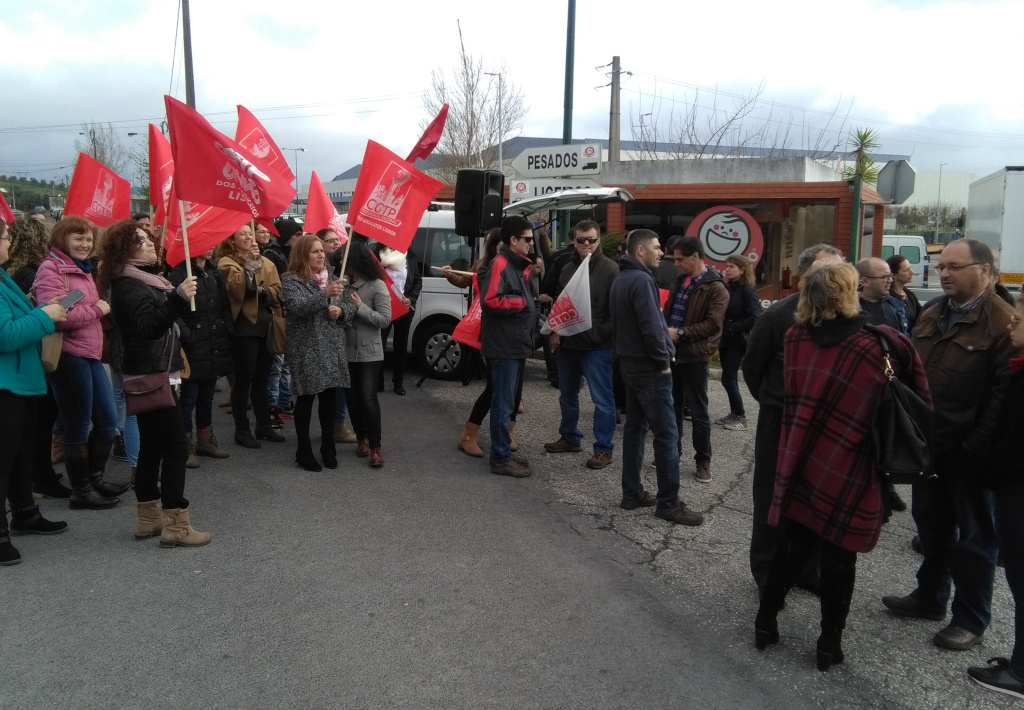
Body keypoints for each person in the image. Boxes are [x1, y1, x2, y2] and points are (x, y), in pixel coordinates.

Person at [754, 261, 930, 672]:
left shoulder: (795, 337)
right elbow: (919, 394)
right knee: (839, 554)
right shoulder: (879, 343)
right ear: (850, 292)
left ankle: (765, 622)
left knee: (792, 541)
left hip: (801, 453)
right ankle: (828, 643)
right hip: (852, 459)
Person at [882, 239, 1017, 652]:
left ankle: (971, 619)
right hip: (930, 445)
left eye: (955, 267)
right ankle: (930, 597)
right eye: (942, 267)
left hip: (969, 452)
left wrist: (977, 447)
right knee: (931, 526)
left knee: (976, 539)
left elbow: (1002, 395)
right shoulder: (933, 312)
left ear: (986, 271)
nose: (944, 274)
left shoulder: (1001, 321)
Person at [100, 219, 209, 547]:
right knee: (175, 447)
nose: (150, 244)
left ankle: (148, 517)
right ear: (125, 250)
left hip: (151, 372)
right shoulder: (130, 285)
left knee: (152, 444)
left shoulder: (140, 281)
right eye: (141, 241)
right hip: (152, 375)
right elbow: (149, 327)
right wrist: (176, 298)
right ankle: (176, 523)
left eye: (149, 239)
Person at [742, 244, 844, 593]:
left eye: (838, 271)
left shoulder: (847, 319)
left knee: (817, 498)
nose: (831, 280)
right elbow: (752, 369)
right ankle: (768, 572)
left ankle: (805, 569)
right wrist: (777, 402)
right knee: (772, 496)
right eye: (823, 272)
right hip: (781, 421)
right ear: (803, 277)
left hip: (829, 427)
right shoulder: (778, 317)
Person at [610, 229, 704, 526]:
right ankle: (668, 503)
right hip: (649, 369)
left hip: (630, 365)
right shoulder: (641, 280)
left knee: (635, 429)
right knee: (666, 434)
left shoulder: (622, 278)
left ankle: (632, 493)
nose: (661, 252)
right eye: (656, 246)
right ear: (640, 251)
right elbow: (652, 327)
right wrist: (664, 361)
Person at [34, 215, 129, 509]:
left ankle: (95, 479)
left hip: (88, 353)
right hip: (68, 356)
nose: (85, 244)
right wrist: (98, 310)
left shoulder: (82, 269)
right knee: (77, 423)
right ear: (63, 239)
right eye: (79, 239)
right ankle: (82, 490)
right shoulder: (51, 271)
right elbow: (57, 317)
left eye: (89, 239)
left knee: (108, 421)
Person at [0, 217, 69, 565]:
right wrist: (45, 317)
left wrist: (38, 309)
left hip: (21, 380)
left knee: (23, 451)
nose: (9, 242)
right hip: (6, 384)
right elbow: (5, 335)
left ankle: (24, 511)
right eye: (5, 236)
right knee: (5, 457)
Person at [967, 297, 1024, 699]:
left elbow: (1014, 444)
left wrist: (984, 470)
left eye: (1018, 320)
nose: (1010, 326)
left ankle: (1021, 674)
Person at [543, 219, 619, 470]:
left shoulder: (610, 270)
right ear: (573, 241)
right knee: (567, 395)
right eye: (581, 240)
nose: (587, 244)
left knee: (602, 399)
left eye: (592, 240)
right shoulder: (566, 268)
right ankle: (570, 437)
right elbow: (560, 302)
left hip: (597, 347)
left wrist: (597, 334)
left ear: (598, 240)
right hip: (569, 345)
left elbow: (616, 314)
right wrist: (555, 328)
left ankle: (603, 449)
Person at [445, 228, 524, 458]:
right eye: (499, 246)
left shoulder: (519, 265)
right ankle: (468, 434)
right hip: (488, 331)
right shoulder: (484, 265)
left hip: (516, 333)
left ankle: (508, 433)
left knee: (516, 388)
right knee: (494, 387)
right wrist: (450, 275)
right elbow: (464, 280)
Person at [282, 234, 355, 472]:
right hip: (307, 347)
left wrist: (341, 311)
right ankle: (303, 450)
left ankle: (328, 446)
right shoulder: (292, 280)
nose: (321, 255)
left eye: (322, 251)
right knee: (305, 398)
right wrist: (324, 296)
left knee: (329, 398)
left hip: (332, 346)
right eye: (315, 252)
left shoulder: (333, 278)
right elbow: (298, 307)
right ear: (303, 254)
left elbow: (350, 305)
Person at [663, 236, 728, 483]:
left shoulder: (715, 287)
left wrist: (681, 332)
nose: (676, 264)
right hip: (673, 354)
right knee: (673, 408)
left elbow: (713, 324)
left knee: (699, 412)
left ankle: (703, 461)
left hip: (695, 356)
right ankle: (672, 454)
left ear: (696, 257)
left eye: (680, 259)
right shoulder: (679, 281)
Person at [477, 216, 537, 478]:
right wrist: (523, 303)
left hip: (514, 343)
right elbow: (491, 299)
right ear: (513, 240)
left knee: (507, 402)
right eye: (527, 240)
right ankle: (500, 457)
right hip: (504, 346)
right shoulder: (500, 263)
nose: (531, 245)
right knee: (502, 403)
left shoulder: (516, 265)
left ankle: (503, 452)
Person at [216, 224, 285, 448]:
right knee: (243, 380)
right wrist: (252, 264)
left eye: (249, 233)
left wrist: (264, 291)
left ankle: (263, 425)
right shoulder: (226, 262)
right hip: (244, 328)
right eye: (242, 234)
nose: (247, 237)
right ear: (232, 240)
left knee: (262, 381)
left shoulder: (268, 262)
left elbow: (277, 290)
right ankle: (242, 429)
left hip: (266, 327)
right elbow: (239, 289)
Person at [168, 248, 233, 467]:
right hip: (192, 343)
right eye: (207, 243)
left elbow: (224, 305)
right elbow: (173, 309)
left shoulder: (213, 272)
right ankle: (185, 444)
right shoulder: (178, 273)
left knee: (206, 396)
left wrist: (225, 327)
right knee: (189, 397)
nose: (212, 247)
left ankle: (205, 439)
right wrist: (188, 335)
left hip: (213, 340)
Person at [343, 239, 391, 468]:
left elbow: (384, 319)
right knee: (351, 398)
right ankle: (361, 437)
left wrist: (360, 307)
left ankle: (375, 446)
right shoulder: (342, 284)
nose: (343, 265)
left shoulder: (377, 285)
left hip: (370, 352)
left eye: (347, 261)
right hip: (347, 349)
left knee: (368, 397)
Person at [264, 218, 303, 425]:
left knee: (286, 363)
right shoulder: (271, 256)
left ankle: (285, 401)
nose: (301, 238)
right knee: (277, 365)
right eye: (297, 234)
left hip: (289, 315)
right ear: (286, 235)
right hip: (277, 316)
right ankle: (272, 407)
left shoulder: (291, 255)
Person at [716, 254, 760, 431]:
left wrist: (733, 327)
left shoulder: (747, 290)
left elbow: (754, 316)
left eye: (731, 267)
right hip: (725, 339)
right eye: (726, 266)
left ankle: (740, 416)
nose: (727, 269)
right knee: (729, 377)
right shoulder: (728, 288)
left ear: (742, 269)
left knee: (728, 378)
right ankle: (734, 412)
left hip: (738, 340)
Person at [373, 243, 421, 396]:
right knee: (380, 344)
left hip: (404, 308)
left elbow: (417, 281)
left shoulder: (409, 255)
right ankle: (378, 382)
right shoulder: (377, 252)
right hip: (383, 307)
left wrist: (411, 299)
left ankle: (398, 383)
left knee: (401, 346)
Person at [856, 257, 908, 335]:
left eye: (890, 276)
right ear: (864, 281)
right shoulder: (851, 310)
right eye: (884, 277)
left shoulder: (897, 307)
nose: (890, 280)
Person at [887, 254, 921, 330]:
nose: (912, 272)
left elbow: (921, 315)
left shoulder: (909, 294)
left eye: (910, 268)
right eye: (907, 270)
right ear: (894, 275)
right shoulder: (889, 298)